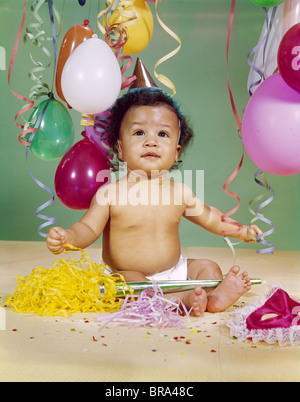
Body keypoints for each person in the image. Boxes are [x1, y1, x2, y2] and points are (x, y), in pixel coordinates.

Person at [47, 88, 262, 316]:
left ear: (176, 152)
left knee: (207, 267)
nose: (151, 142)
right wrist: (69, 237)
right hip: (129, 273)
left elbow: (210, 216)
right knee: (131, 288)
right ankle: (188, 300)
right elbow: (88, 228)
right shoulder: (109, 193)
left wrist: (241, 230)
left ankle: (209, 297)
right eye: (139, 133)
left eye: (162, 134)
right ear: (120, 148)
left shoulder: (179, 192)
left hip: (175, 271)